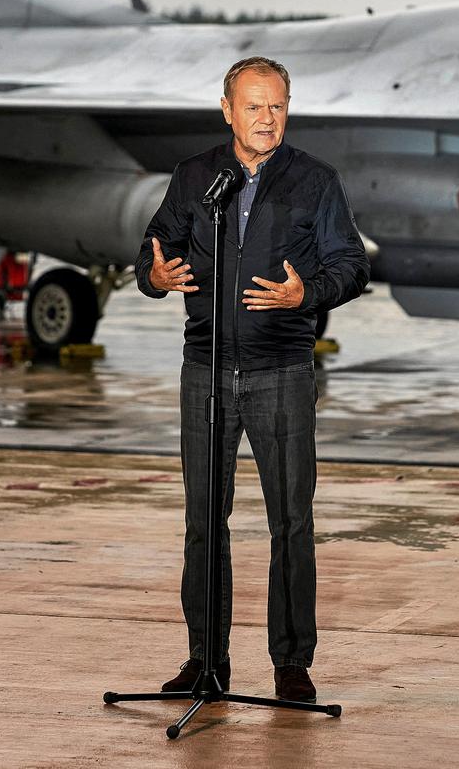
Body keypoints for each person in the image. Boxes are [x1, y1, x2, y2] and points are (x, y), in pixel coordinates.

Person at [135, 55, 369, 704]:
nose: (267, 119)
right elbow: (152, 250)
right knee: (203, 523)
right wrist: (154, 277)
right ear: (227, 111)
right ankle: (205, 660)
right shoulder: (195, 178)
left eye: (277, 107)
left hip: (282, 372)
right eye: (254, 106)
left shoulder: (315, 181)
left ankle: (291, 664)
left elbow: (352, 265)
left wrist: (305, 294)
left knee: (290, 523)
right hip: (205, 371)